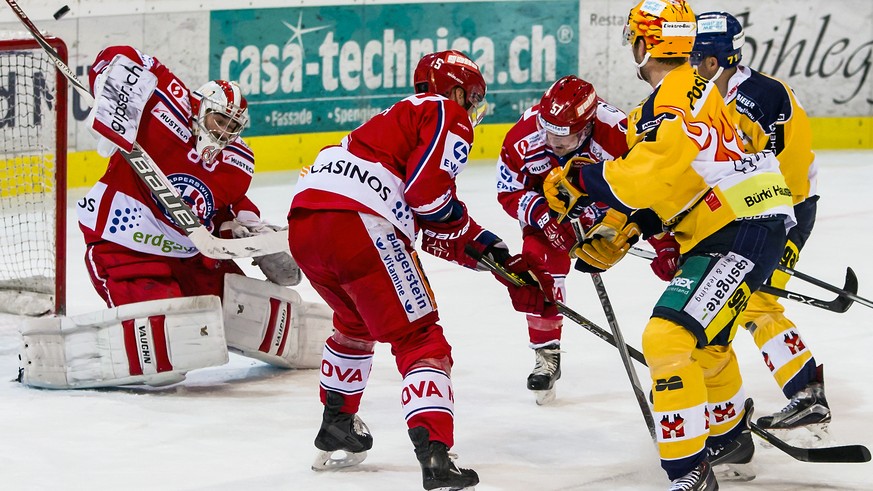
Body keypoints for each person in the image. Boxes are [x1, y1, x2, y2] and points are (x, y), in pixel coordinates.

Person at [543, 1, 796, 489]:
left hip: (740, 225)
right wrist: (636, 226)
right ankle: (728, 441)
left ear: (643, 45)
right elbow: (681, 178)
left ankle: (689, 473)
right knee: (708, 342)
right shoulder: (692, 89)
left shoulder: (672, 95)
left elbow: (655, 170)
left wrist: (584, 176)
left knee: (667, 337)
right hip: (743, 220)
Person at [287, 50, 551, 490]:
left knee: (355, 323)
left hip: (307, 221)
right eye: (473, 98)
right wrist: (491, 249)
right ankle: (435, 455)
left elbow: (425, 228)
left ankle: (337, 424)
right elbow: (428, 198)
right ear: (455, 90)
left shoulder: (390, 124)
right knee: (420, 337)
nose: (473, 110)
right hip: (360, 222)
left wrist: (496, 259)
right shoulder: (446, 111)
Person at [77, 45, 302, 369]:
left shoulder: (239, 162)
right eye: (219, 119)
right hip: (125, 245)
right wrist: (111, 99)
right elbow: (120, 54)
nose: (223, 132)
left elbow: (226, 206)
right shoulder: (166, 106)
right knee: (163, 339)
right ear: (201, 106)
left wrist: (249, 231)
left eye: (232, 126)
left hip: (190, 256)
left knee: (248, 314)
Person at [496, 75, 681, 404]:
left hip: (608, 210)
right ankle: (546, 354)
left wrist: (664, 243)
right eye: (549, 131)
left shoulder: (620, 134)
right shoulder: (521, 138)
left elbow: (649, 192)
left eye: (565, 138)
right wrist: (545, 218)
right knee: (538, 264)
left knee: (676, 271)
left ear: (588, 126)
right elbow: (509, 191)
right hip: (551, 211)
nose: (554, 142)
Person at [691, 11, 829, 434]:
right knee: (739, 304)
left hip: (781, 212)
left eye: (694, 56)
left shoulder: (758, 98)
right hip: (756, 211)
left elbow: (764, 171)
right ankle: (724, 399)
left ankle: (807, 395)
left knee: (756, 302)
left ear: (713, 61)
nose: (688, 65)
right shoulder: (727, 93)